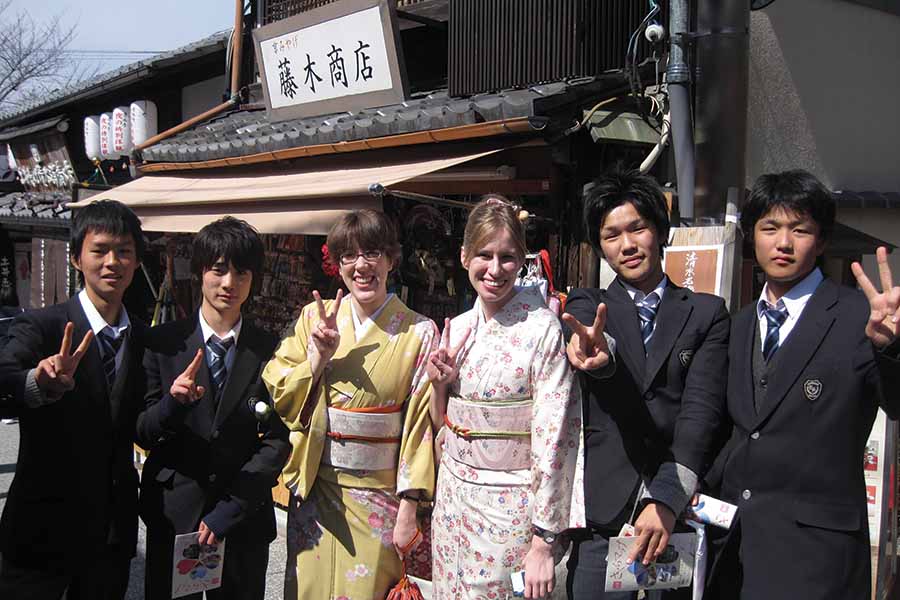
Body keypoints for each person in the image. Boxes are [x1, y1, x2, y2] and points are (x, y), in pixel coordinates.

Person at [704, 170, 900, 599]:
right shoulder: (734, 328)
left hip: (818, 556)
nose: (784, 243)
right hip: (733, 551)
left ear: (823, 240)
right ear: (751, 237)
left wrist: (891, 349)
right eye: (770, 228)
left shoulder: (858, 319)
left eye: (801, 229)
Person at [561, 169, 730, 599]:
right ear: (600, 245)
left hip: (675, 514)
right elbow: (604, 349)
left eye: (638, 228)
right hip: (603, 515)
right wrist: (601, 360)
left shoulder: (707, 313)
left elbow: (701, 412)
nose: (627, 245)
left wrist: (668, 498)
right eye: (612, 234)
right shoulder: (587, 304)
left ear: (659, 230)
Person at [262, 209, 438, 599]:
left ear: (392, 259)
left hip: (379, 497)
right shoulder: (315, 318)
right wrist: (316, 360)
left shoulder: (420, 332)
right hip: (317, 490)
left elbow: (420, 427)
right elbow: (278, 388)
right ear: (337, 264)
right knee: (308, 588)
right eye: (349, 255)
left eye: (373, 252)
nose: (361, 265)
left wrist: (410, 505)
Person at [428, 197, 585, 600]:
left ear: (522, 260)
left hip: (511, 507)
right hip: (454, 500)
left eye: (507, 258)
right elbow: (440, 425)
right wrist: (439, 385)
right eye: (484, 255)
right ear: (464, 256)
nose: (495, 270)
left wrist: (543, 541)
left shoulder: (542, 329)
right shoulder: (460, 327)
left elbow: (556, 438)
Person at [137, 217, 290, 600]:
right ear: (200, 271)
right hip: (176, 516)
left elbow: (278, 440)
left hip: (243, 519)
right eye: (218, 270)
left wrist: (229, 509)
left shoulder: (272, 350)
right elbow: (142, 430)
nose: (229, 283)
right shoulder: (163, 343)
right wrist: (173, 403)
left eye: (241, 272)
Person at [0, 200, 147, 599]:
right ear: (77, 259)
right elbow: (5, 376)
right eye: (99, 250)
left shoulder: (145, 338)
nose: (112, 262)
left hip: (110, 533)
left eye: (125, 252)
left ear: (136, 262)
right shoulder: (42, 326)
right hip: (41, 528)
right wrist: (39, 382)